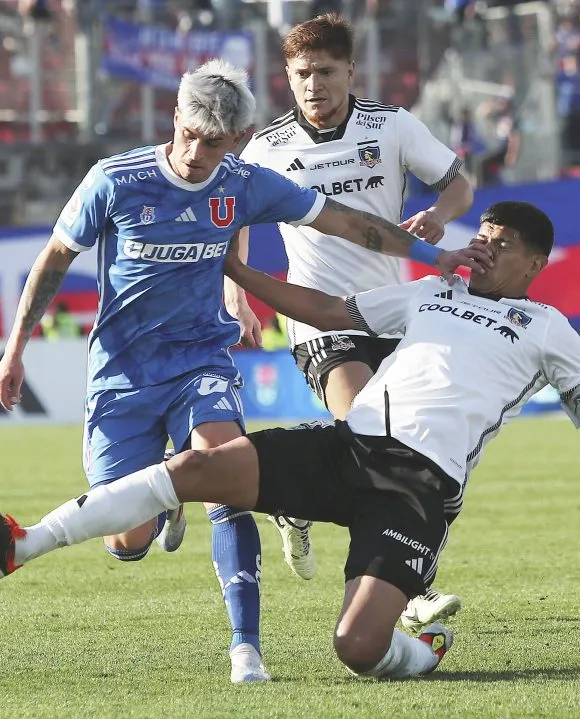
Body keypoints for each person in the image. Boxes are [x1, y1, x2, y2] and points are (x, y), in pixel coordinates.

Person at [0, 200, 580, 680]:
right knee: (195, 466)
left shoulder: (548, 328)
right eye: (482, 236)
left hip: (418, 490)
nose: (484, 248)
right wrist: (239, 270)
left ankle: (422, 651)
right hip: (347, 448)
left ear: (536, 263)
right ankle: (21, 545)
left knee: (357, 649)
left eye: (502, 242)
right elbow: (329, 311)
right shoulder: (433, 291)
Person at [0, 58, 484, 684]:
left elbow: (350, 222)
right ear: (174, 116)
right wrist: (15, 347)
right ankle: (166, 503)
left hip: (202, 358)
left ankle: (245, 650)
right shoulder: (115, 180)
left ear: (240, 139)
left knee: (226, 471)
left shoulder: (246, 185)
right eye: (189, 135)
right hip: (123, 370)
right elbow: (56, 257)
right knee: (126, 541)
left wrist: (435, 255)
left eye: (214, 143)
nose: (196, 154)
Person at [229, 13, 472, 631]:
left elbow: (459, 184)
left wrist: (440, 216)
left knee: (404, 445)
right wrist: (239, 297)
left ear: (350, 72)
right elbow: (232, 221)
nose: (314, 84)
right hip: (320, 319)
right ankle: (405, 591)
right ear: (287, 77)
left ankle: (293, 496)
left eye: (325, 72)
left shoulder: (391, 126)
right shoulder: (267, 149)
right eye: (302, 74)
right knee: (374, 438)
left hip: (394, 314)